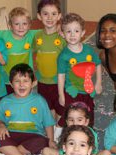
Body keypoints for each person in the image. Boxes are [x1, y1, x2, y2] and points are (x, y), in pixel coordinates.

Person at [0, 63, 55, 155]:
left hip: (33, 136)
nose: (21, 84)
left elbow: (48, 123)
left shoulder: (39, 100)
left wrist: (51, 141)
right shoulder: (5, 101)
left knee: (42, 141)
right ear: (11, 84)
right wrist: (1, 126)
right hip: (11, 134)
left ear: (33, 83)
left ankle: (9, 153)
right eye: (17, 81)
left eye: (26, 81)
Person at [57, 13, 102, 127]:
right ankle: (66, 135)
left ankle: (89, 137)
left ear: (82, 33)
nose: (72, 35)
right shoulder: (63, 56)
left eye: (76, 31)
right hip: (71, 92)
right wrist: (61, 94)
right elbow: (61, 76)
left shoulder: (88, 50)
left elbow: (98, 64)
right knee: (71, 117)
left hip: (87, 91)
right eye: (68, 31)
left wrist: (98, 83)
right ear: (62, 34)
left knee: (89, 115)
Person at [41, 101, 111, 155]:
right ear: (67, 122)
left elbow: (93, 154)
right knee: (46, 151)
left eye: (79, 120)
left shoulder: (91, 134)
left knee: (106, 154)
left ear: (86, 121)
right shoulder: (66, 133)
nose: (75, 123)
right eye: (71, 120)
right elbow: (62, 152)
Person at [33, 0, 66, 130]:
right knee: (48, 108)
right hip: (43, 82)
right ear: (39, 16)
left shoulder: (63, 36)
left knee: (60, 108)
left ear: (59, 16)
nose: (50, 18)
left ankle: (58, 130)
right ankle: (52, 131)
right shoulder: (36, 36)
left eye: (53, 14)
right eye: (45, 14)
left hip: (59, 82)